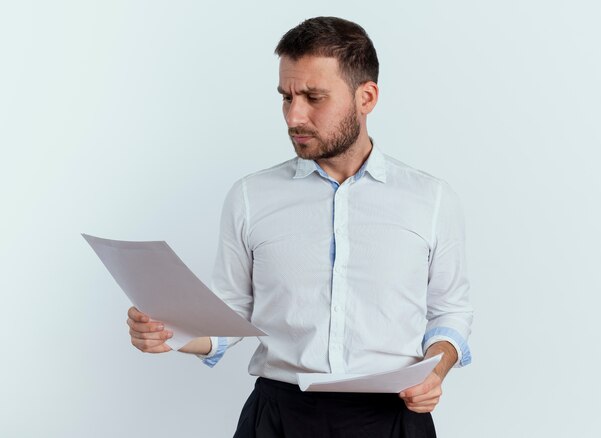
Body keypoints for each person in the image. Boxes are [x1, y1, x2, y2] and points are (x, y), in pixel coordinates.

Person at [126, 16, 472, 438]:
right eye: (286, 97)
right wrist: (172, 334)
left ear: (367, 97)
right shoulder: (250, 196)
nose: (295, 116)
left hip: (393, 419)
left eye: (314, 97)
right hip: (278, 418)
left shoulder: (431, 200)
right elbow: (231, 313)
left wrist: (435, 371)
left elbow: (450, 311)